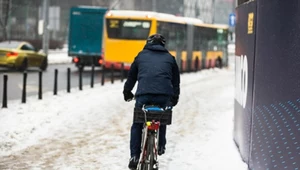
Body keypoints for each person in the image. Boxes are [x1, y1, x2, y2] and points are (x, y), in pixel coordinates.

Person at [122, 33, 180, 169]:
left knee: (137, 123)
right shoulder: (170, 58)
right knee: (162, 116)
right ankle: (160, 146)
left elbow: (131, 77)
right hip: (163, 96)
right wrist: (174, 98)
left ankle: (135, 156)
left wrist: (127, 92)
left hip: (144, 95)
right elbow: (176, 81)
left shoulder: (141, 56)